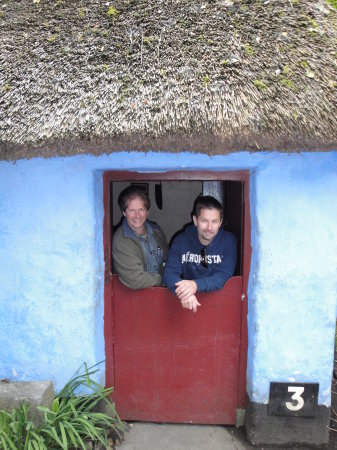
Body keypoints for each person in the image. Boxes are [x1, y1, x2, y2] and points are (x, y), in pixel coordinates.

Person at [163, 195, 237, 313]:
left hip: (219, 308)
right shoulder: (181, 241)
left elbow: (224, 275)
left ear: (220, 222)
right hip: (187, 307)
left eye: (214, 222)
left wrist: (196, 285)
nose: (209, 227)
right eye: (204, 221)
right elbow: (169, 273)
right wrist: (185, 294)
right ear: (195, 220)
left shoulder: (228, 242)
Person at [112, 187, 168, 289]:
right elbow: (136, 280)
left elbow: (167, 260)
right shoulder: (121, 240)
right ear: (124, 213)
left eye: (141, 209)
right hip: (134, 299)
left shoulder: (156, 231)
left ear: (147, 211)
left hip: (161, 296)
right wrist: (163, 280)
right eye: (132, 210)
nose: (137, 215)